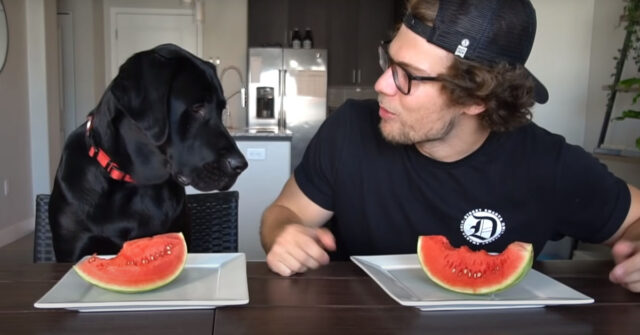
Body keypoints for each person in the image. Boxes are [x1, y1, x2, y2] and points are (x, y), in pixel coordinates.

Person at [260, 0, 640, 292]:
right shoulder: (349, 130)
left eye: (407, 76)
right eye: (388, 62)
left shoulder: (547, 164)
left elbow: (635, 220)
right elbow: (283, 212)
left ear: (476, 99)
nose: (381, 85)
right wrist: (283, 234)